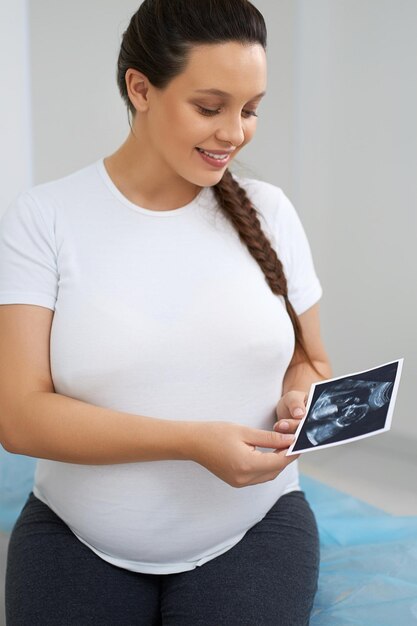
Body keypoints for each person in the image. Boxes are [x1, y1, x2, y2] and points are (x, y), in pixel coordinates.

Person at [0, 1, 332, 624]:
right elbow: (18, 416)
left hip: (254, 531)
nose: (235, 132)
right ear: (140, 87)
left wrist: (299, 400)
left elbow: (309, 359)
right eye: (210, 107)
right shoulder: (44, 219)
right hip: (77, 537)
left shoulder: (271, 211)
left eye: (251, 108)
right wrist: (189, 441)